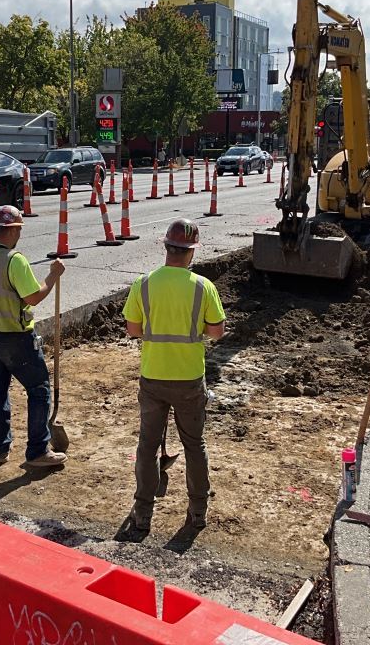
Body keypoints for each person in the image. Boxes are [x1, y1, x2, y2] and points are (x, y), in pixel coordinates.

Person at [122, 219, 226, 531]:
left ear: (166, 247)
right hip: (189, 379)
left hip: (153, 376)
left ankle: (143, 513)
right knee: (194, 444)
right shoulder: (203, 287)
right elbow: (217, 332)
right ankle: (197, 511)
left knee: (148, 445)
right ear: (191, 252)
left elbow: (133, 329)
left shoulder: (144, 284)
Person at [0, 205, 67, 468]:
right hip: (17, 338)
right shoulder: (14, 260)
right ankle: (37, 451)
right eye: (19, 229)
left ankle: (1, 449)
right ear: (13, 230)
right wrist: (53, 276)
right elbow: (33, 297)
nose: (20, 234)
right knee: (39, 389)